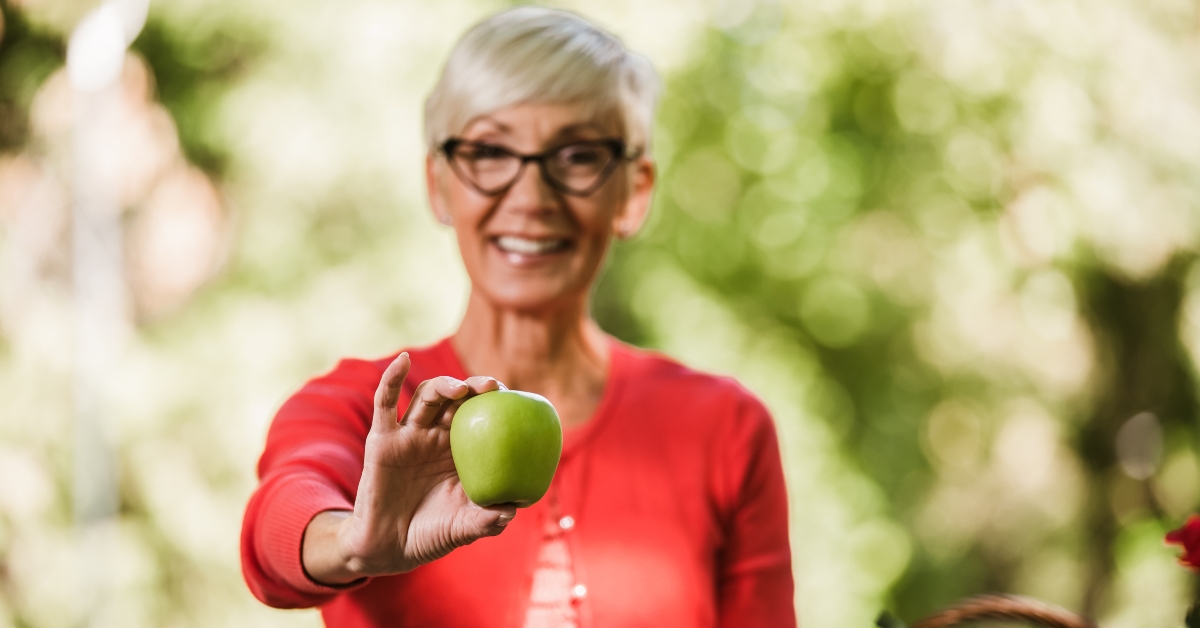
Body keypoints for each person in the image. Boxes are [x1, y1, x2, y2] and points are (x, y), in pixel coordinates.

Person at [240, 7, 795, 627]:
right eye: (489, 151)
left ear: (634, 191)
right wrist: (352, 541)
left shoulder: (726, 428)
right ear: (438, 184)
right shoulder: (366, 411)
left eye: (578, 156)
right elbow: (280, 521)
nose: (531, 198)